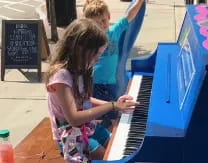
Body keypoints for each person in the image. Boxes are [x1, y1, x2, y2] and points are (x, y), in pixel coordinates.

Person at [45, 18, 139, 162]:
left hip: (88, 126)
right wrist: (111, 106)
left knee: (119, 150)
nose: (97, 60)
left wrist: (116, 104)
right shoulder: (61, 76)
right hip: (70, 135)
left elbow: (85, 101)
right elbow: (74, 118)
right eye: (96, 55)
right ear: (80, 50)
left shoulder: (81, 69)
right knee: (111, 159)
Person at [83, 0, 145, 127]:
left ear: (109, 17)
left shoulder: (114, 31)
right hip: (95, 85)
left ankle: (111, 138)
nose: (101, 25)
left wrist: (140, 1)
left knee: (114, 114)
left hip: (111, 83)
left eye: (103, 20)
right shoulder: (88, 38)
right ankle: (100, 136)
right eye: (96, 23)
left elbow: (130, 14)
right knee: (98, 116)